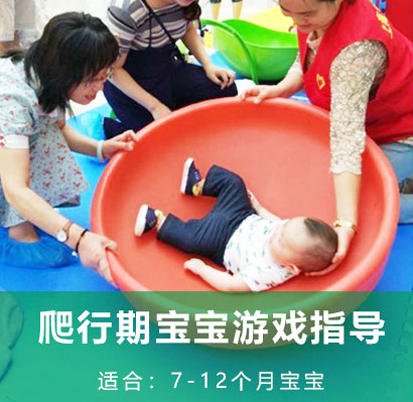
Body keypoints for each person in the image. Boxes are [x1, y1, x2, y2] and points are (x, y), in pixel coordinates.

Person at [241, 0, 413, 271]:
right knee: (335, 186)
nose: (297, 21)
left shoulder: (357, 51)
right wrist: (282, 88)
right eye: (286, 11)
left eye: (307, 14)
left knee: (367, 207)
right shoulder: (315, 15)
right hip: (372, 122)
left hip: (403, 129)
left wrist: (346, 224)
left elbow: (346, 139)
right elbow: (307, 57)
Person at [0, 12, 139, 283]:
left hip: (13, 141)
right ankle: (18, 234)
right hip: (8, 150)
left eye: (104, 76)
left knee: (43, 139)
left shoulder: (47, 78)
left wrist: (101, 148)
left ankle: (31, 218)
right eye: (91, 80)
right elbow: (15, 188)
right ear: (65, 73)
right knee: (24, 165)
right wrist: (77, 238)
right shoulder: (13, 102)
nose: (100, 88)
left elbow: (58, 128)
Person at [135, 158, 338, 291]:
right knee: (235, 183)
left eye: (281, 241)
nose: (275, 233)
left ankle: (156, 220)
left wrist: (202, 270)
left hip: (221, 242)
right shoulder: (286, 233)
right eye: (283, 228)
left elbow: (231, 285)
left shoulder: (270, 272)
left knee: (192, 239)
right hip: (242, 215)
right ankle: (196, 186)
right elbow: (274, 221)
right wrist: (258, 207)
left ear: (291, 267)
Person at [103, 0, 237, 138]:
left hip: (165, 70)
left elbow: (188, 28)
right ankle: (113, 126)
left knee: (225, 88)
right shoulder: (127, 10)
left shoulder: (184, 3)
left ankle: (175, 114)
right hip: (129, 85)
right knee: (159, 137)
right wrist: (155, 107)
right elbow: (112, 69)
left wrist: (208, 65)